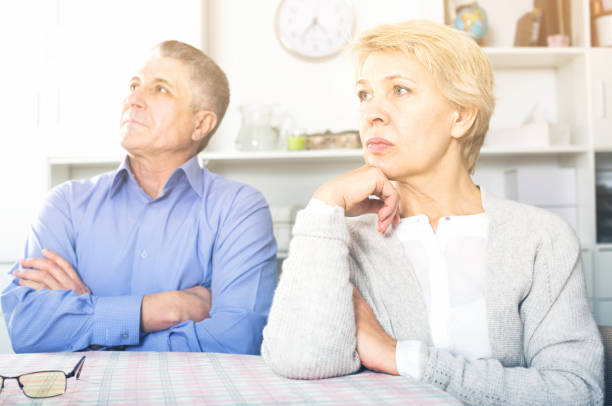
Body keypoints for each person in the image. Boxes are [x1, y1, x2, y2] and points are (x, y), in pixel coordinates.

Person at [261, 20, 604, 405]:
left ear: (460, 116)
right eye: (364, 94)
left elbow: (578, 393)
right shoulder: (342, 237)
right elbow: (300, 361)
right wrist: (324, 205)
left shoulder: (541, 239)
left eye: (400, 90)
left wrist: (399, 357)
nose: (372, 113)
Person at [2, 40, 277, 354]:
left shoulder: (239, 209)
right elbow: (27, 330)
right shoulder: (64, 205)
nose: (133, 98)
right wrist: (159, 309)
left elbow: (237, 341)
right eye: (134, 85)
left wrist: (90, 324)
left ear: (200, 124)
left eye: (160, 90)